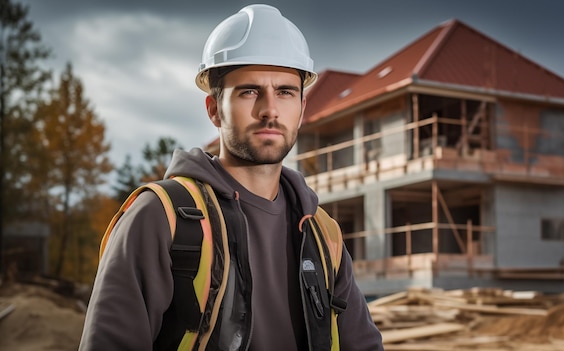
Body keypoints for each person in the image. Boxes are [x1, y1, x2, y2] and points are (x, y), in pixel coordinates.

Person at [79, 4, 383, 350]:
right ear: (213, 110)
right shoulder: (160, 218)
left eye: (285, 92)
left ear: (301, 110)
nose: (270, 109)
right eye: (249, 91)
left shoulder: (321, 233)